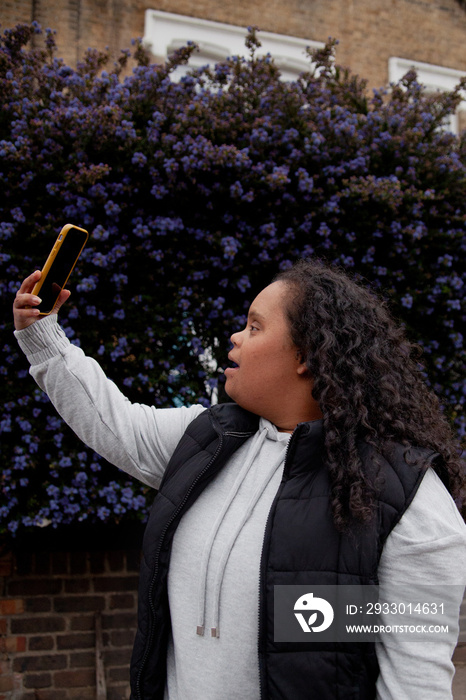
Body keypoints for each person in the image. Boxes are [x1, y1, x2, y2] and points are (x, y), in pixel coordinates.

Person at [13, 258, 466, 700]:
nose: (235, 337)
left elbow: (414, 684)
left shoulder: (402, 499)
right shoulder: (211, 442)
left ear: (307, 355)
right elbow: (116, 424)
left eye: (254, 327)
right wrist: (42, 333)